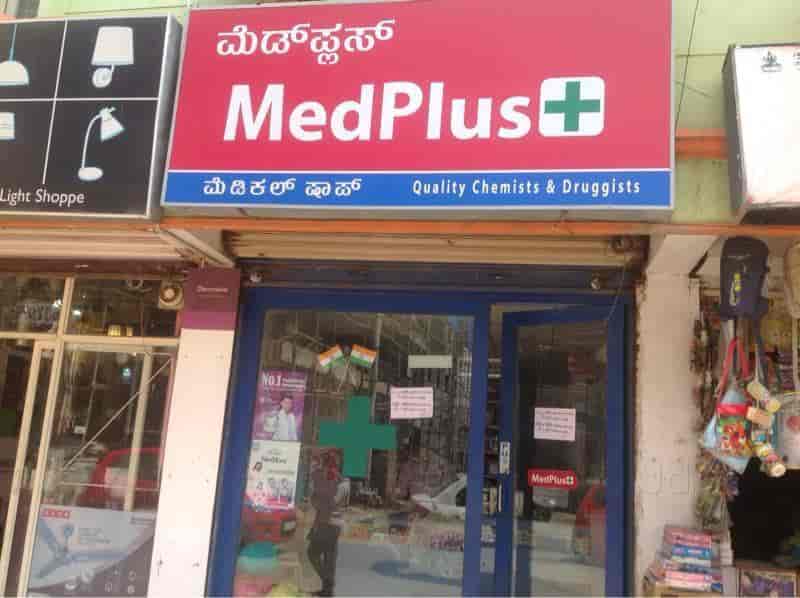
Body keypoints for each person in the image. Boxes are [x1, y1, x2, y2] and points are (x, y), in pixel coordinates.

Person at [308, 451, 342, 597]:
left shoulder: (318, 476)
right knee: (329, 556)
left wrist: (314, 501)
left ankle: (327, 583)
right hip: (336, 523)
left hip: (324, 522)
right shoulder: (340, 479)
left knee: (312, 553)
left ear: (323, 462)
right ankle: (327, 591)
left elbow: (317, 500)